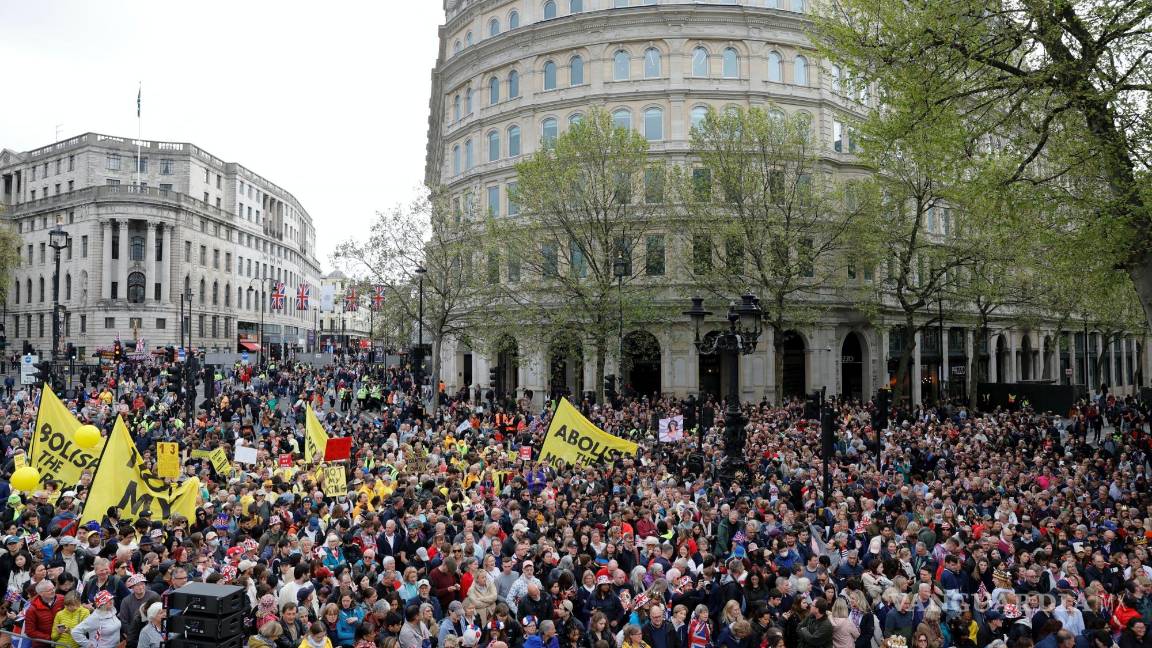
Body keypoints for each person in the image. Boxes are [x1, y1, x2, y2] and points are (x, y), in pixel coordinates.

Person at [24, 579, 64, 648]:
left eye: (53, 588)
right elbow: (30, 631)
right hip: (42, 644)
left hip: (61, 641)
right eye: (49, 590)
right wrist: (50, 637)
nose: (53, 591)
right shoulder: (32, 609)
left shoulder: (62, 599)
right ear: (41, 593)